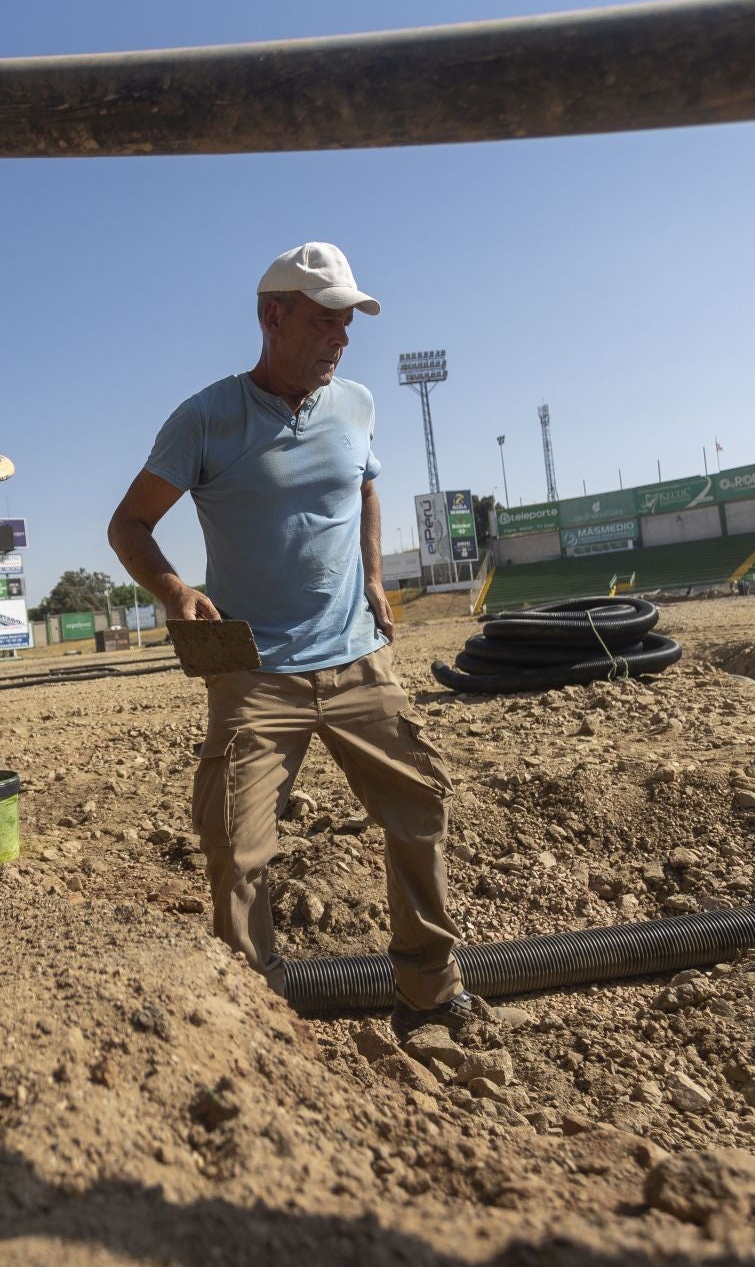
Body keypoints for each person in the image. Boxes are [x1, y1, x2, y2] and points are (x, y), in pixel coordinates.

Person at [108, 241, 478, 1037]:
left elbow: (365, 486)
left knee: (420, 805)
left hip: (357, 659)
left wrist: (373, 578)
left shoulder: (356, 405)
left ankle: (428, 990)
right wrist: (175, 591)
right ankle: (261, 1027)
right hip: (256, 673)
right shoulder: (207, 419)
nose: (340, 340)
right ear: (272, 318)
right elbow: (128, 523)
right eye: (324, 322)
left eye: (347, 326)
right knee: (236, 848)